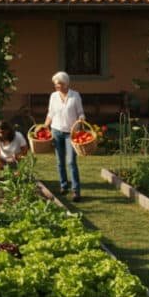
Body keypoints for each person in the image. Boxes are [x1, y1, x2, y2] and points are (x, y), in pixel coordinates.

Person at [43, 71, 85, 201]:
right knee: (60, 161)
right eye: (55, 84)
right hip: (56, 131)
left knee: (71, 161)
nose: (56, 86)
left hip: (70, 134)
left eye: (59, 84)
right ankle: (63, 185)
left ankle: (76, 191)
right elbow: (51, 113)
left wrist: (80, 122)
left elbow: (81, 113)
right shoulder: (53, 96)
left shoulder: (75, 95)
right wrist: (44, 126)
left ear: (66, 84)